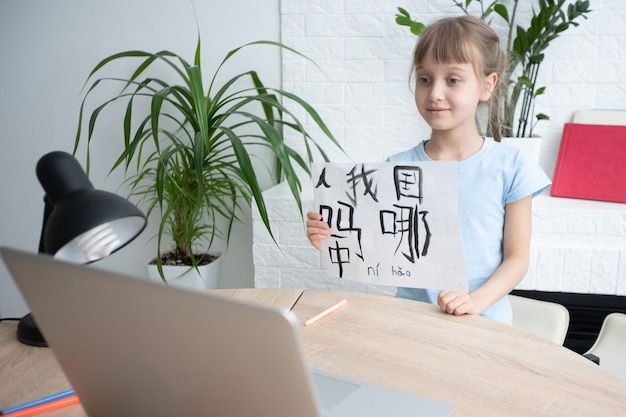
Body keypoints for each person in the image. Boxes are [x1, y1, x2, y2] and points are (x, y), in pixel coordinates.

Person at [306, 15, 551, 324]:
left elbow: (517, 259)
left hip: (486, 325)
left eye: (452, 80)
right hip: (411, 323)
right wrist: (331, 239)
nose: (434, 93)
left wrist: (476, 301)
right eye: (425, 79)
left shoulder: (512, 166)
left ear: (487, 85)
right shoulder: (395, 167)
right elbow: (381, 248)